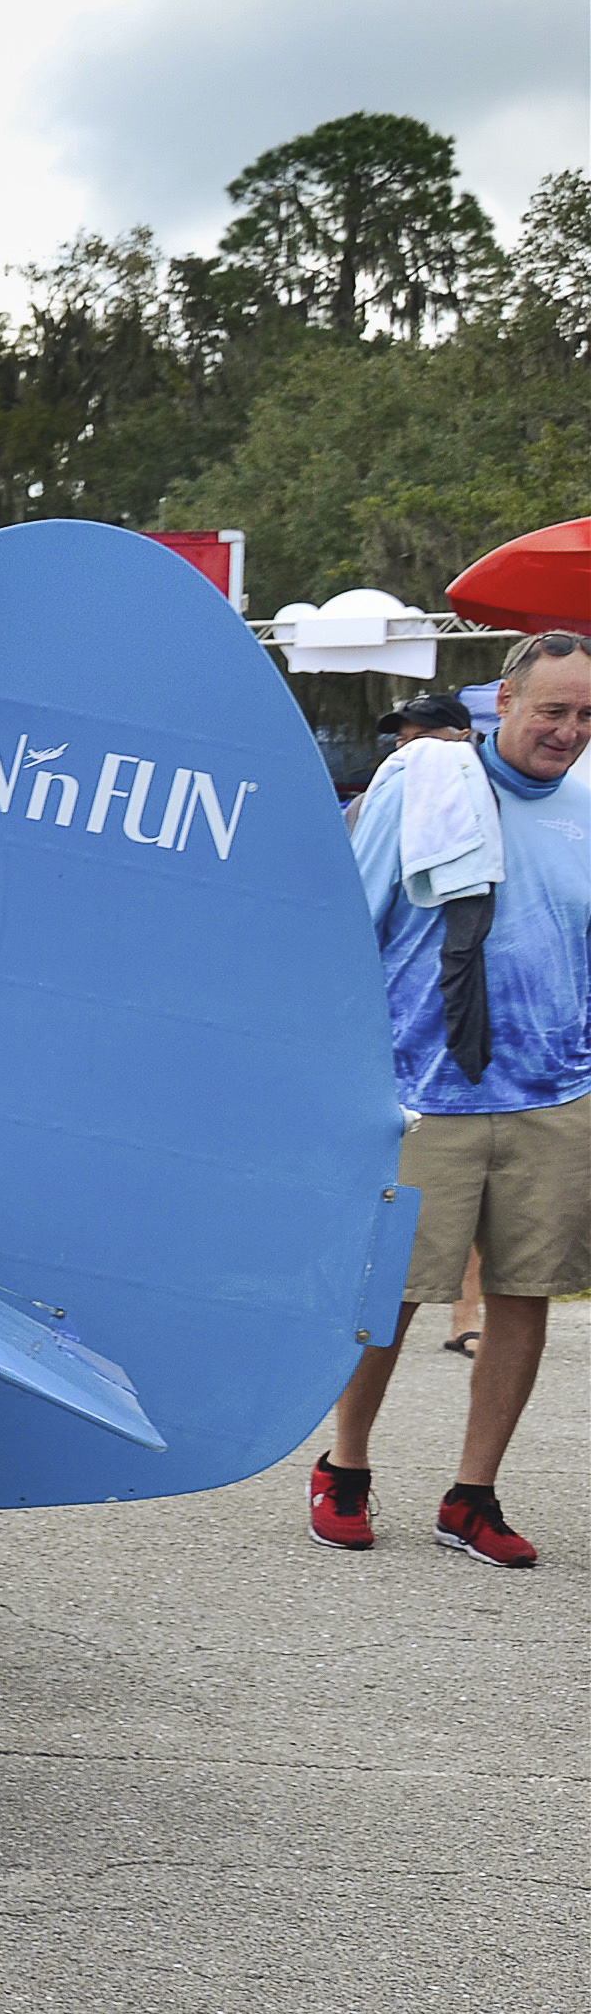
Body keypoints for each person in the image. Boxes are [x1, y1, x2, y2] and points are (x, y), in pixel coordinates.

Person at [310, 630, 591, 1568]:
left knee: (524, 1293)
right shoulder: (426, 789)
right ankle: (344, 1466)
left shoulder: (587, 808)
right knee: (390, 1294)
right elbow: (350, 925)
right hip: (428, 1090)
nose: (568, 731)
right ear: (501, 704)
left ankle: (472, 1496)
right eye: (553, 710)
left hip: (555, 1092)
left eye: (587, 715)